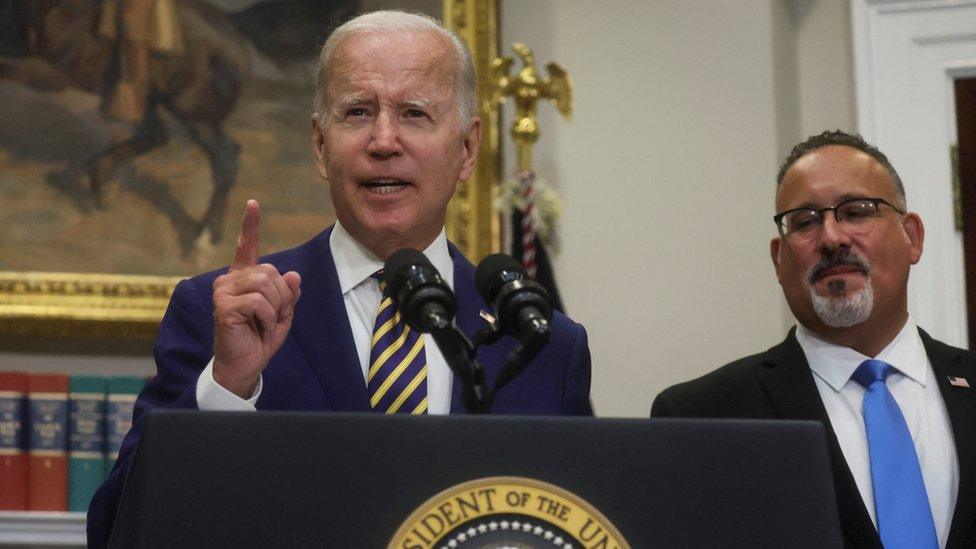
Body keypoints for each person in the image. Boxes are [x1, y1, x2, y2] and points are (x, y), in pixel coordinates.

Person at [87, 10, 592, 548]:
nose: (383, 140)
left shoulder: (543, 344)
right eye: (357, 112)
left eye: (415, 113)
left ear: (466, 149)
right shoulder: (223, 314)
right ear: (321, 145)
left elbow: (581, 527)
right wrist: (227, 388)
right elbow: (119, 529)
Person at [652, 131, 975, 549]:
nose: (831, 238)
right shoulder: (700, 418)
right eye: (804, 222)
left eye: (856, 212)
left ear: (912, 236)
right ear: (778, 259)